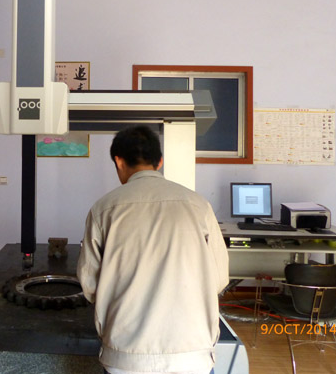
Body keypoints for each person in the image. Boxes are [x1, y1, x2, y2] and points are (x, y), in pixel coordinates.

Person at [77, 125, 229, 374]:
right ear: (159, 162)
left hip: (126, 359)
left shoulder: (104, 209)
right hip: (192, 356)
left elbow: (89, 284)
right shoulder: (199, 205)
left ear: (119, 161)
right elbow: (220, 278)